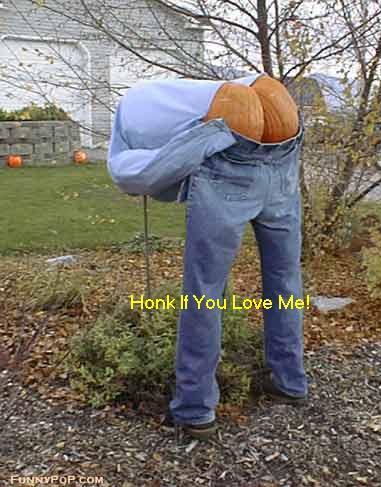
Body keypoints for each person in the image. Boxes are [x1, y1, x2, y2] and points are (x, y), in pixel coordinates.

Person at [107, 74, 308, 440]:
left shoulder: (131, 120)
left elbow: (141, 173)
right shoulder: (169, 95)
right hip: (284, 133)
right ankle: (290, 381)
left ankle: (195, 409)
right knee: (285, 279)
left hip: (235, 139)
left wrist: (209, 143)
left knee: (204, 291)